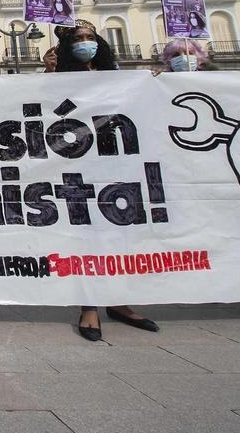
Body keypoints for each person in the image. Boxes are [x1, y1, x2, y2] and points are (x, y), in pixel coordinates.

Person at [54, 21, 160, 341]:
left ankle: (118, 301)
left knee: (120, 233)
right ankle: (90, 307)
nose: (85, 43)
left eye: (90, 38)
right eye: (79, 39)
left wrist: (150, 84)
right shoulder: (60, 80)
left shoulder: (118, 77)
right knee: (87, 234)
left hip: (117, 161)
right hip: (81, 162)